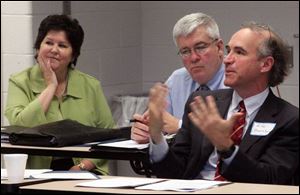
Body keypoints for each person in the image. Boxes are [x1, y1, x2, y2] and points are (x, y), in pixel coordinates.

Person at [147, 21, 299, 185]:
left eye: (239, 52)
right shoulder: (202, 103)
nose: (227, 60)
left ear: (266, 64)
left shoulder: (289, 120)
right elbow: (175, 172)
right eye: (228, 51)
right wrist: (156, 136)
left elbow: (270, 181)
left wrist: (226, 148)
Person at [5, 14, 115, 175]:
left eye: (62, 45)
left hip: (84, 171)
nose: (54, 50)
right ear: (38, 47)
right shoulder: (20, 81)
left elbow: (109, 134)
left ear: (74, 55)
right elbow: (21, 125)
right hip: (35, 172)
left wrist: (82, 167)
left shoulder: (91, 85)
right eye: (48, 43)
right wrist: (51, 87)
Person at [131, 12, 227, 143]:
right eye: (185, 51)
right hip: (179, 161)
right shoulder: (178, 79)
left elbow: (235, 134)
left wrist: (180, 126)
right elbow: (157, 122)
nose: (193, 58)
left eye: (200, 47)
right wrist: (144, 130)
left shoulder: (237, 78)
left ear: (219, 47)